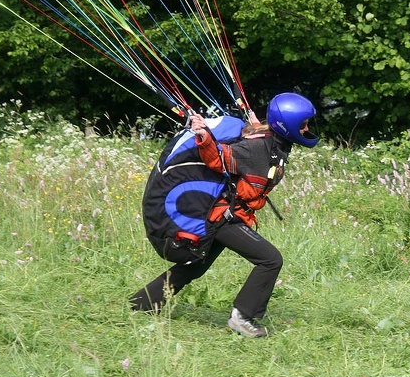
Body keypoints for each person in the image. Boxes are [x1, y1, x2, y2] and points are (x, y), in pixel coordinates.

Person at [130, 92, 318, 337]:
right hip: (223, 217)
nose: (307, 129)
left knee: (194, 266)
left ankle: (140, 305)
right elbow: (219, 159)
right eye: (303, 125)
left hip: (229, 214)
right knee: (270, 260)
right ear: (289, 125)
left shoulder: (271, 142)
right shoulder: (257, 149)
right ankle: (243, 318)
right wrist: (204, 136)